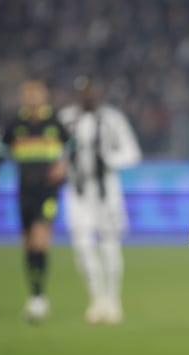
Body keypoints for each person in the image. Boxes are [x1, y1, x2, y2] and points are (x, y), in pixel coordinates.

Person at [58, 76, 142, 324]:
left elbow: (132, 152)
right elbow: (56, 149)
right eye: (83, 91)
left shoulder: (111, 119)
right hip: (78, 190)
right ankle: (96, 300)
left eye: (91, 91)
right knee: (82, 245)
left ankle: (113, 301)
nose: (87, 95)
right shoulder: (66, 118)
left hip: (106, 189)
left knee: (109, 244)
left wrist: (109, 158)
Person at [0, 79, 70, 322]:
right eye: (28, 94)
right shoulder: (14, 124)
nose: (32, 98)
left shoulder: (54, 123)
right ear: (23, 97)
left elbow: (72, 148)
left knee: (40, 240)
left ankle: (39, 297)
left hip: (48, 191)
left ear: (44, 96)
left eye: (37, 94)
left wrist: (63, 167)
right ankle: (35, 294)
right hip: (24, 191)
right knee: (28, 245)